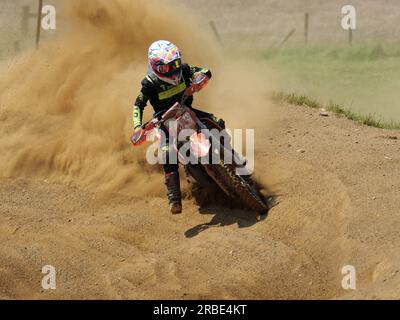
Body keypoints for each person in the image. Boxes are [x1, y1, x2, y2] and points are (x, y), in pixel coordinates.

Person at [133, 40, 225, 214]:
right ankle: (174, 197)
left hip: (186, 110)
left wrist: (200, 77)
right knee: (167, 154)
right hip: (164, 121)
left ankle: (229, 155)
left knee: (217, 122)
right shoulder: (149, 83)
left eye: (174, 63)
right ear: (155, 67)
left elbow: (204, 71)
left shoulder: (183, 69)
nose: (172, 69)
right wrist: (138, 127)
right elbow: (138, 105)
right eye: (165, 68)